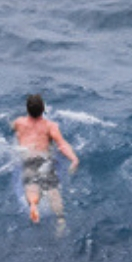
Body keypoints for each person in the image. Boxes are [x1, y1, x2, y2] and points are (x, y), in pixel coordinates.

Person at [12, 94, 79, 225]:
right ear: (43, 109)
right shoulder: (50, 126)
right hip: (44, 160)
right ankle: (60, 219)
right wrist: (74, 159)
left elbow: (12, 128)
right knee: (52, 189)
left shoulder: (18, 123)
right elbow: (62, 145)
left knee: (31, 185)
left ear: (27, 110)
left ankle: (33, 205)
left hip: (28, 159)